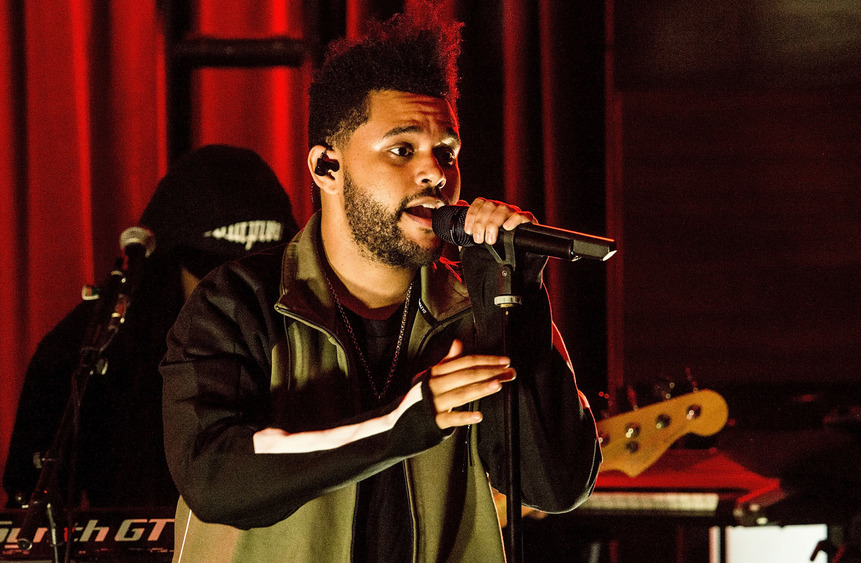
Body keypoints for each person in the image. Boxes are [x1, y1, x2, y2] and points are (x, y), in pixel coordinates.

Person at [159, 4, 602, 562]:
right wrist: (398, 425)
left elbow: (555, 487)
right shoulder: (238, 303)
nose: (435, 173)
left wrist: (519, 299)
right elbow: (215, 475)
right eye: (402, 149)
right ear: (327, 167)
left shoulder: (476, 310)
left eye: (448, 152)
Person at [3, 144, 300, 509]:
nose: (232, 298)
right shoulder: (94, 346)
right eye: (211, 278)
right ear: (167, 266)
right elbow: (31, 501)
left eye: (255, 281)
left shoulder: (311, 338)